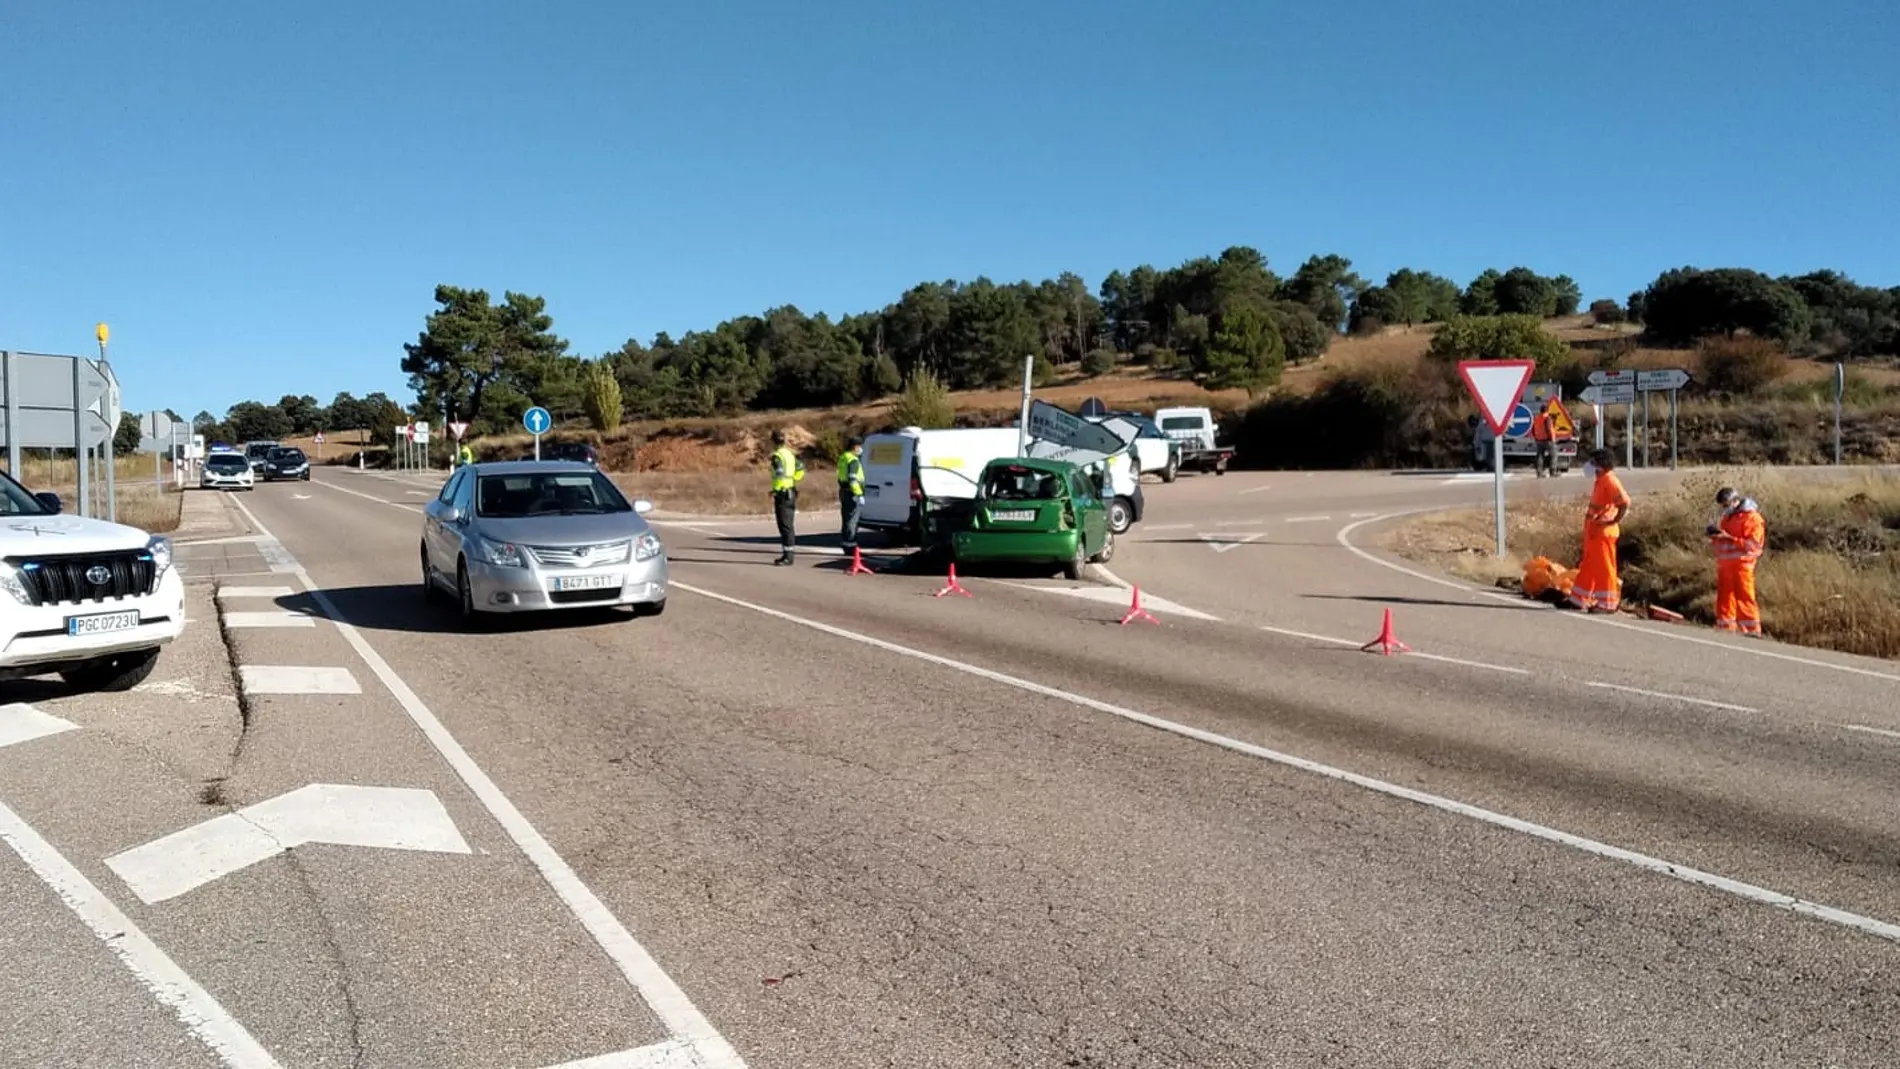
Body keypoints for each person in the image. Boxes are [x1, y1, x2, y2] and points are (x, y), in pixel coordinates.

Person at [1568, 448, 1630, 613]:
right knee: (1588, 566)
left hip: (1604, 533)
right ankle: (1578, 599)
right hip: (1595, 532)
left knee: (1605, 568)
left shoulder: (1610, 481)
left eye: (1592, 462)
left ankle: (1607, 603)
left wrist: (1613, 520)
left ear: (1601, 465)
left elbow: (1624, 503)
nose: (1588, 465)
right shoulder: (1601, 480)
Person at [1707, 487, 1765, 636]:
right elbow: (1723, 542)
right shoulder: (1728, 518)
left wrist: (1728, 537)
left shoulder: (1752, 518)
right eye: (1723, 506)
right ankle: (1725, 627)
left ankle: (1752, 630)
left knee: (1745, 597)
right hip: (1726, 565)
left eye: (1726, 505)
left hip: (1743, 564)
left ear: (1735, 501)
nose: (1724, 509)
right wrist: (1715, 536)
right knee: (1725, 598)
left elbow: (1754, 546)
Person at [767, 429, 804, 565]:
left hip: (783, 493)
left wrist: (775, 490)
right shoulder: (789, 454)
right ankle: (788, 554)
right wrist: (793, 479)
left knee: (785, 525)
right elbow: (800, 468)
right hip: (791, 491)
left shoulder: (777, 456)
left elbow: (779, 474)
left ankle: (788, 556)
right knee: (788, 524)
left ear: (773, 441)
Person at [836, 436, 865, 558]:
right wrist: (858, 494)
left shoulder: (843, 457)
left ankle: (845, 543)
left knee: (846, 517)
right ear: (855, 447)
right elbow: (853, 479)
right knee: (852, 519)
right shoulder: (853, 460)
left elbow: (840, 476)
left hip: (844, 490)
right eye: (860, 446)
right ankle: (851, 546)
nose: (861, 449)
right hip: (852, 492)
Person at [1530, 403, 1555, 478]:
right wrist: (1552, 438)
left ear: (1540, 410)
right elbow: (1549, 429)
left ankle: (1539, 473)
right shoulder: (1547, 418)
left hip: (1539, 440)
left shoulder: (1537, 418)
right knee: (1553, 455)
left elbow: (1533, 430)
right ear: (1547, 410)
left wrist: (1536, 437)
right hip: (1548, 440)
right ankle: (1553, 472)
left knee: (1540, 456)